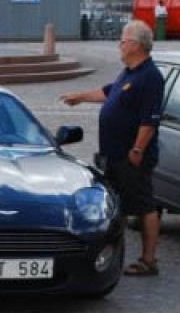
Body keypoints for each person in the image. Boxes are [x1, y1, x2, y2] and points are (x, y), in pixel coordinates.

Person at [60, 19, 165, 276]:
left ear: (137, 45)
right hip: (114, 155)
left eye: (123, 41)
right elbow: (108, 93)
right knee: (118, 205)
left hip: (132, 156)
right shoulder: (128, 72)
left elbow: (149, 120)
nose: (119, 45)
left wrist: (137, 150)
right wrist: (80, 97)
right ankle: (113, 255)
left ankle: (149, 260)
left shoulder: (150, 76)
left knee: (144, 205)